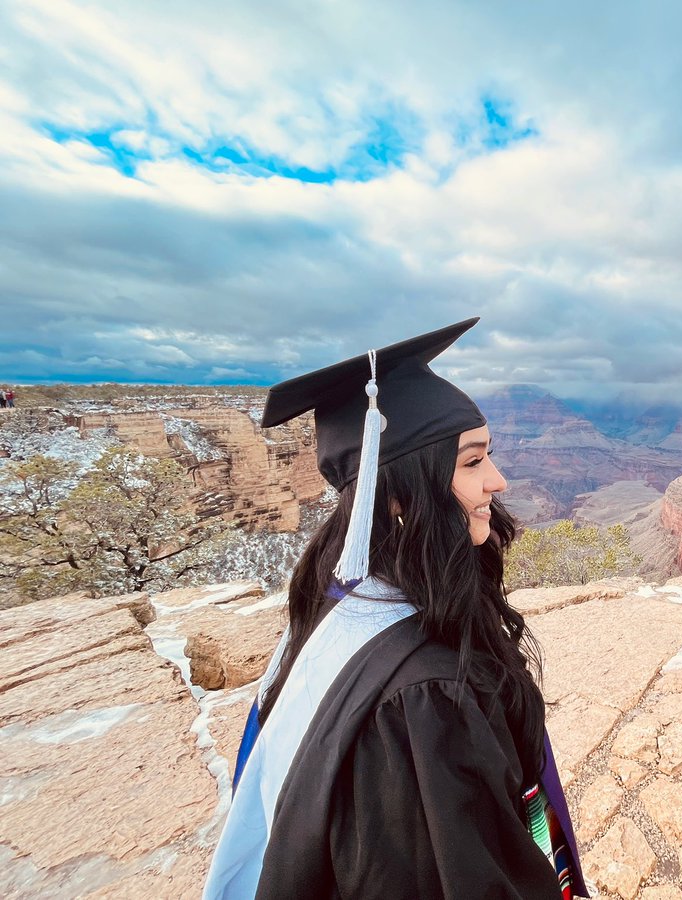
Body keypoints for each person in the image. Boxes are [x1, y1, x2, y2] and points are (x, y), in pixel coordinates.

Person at [204, 319, 585, 899]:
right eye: (472, 462)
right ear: (403, 492)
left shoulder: (340, 605)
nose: (499, 481)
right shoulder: (426, 694)